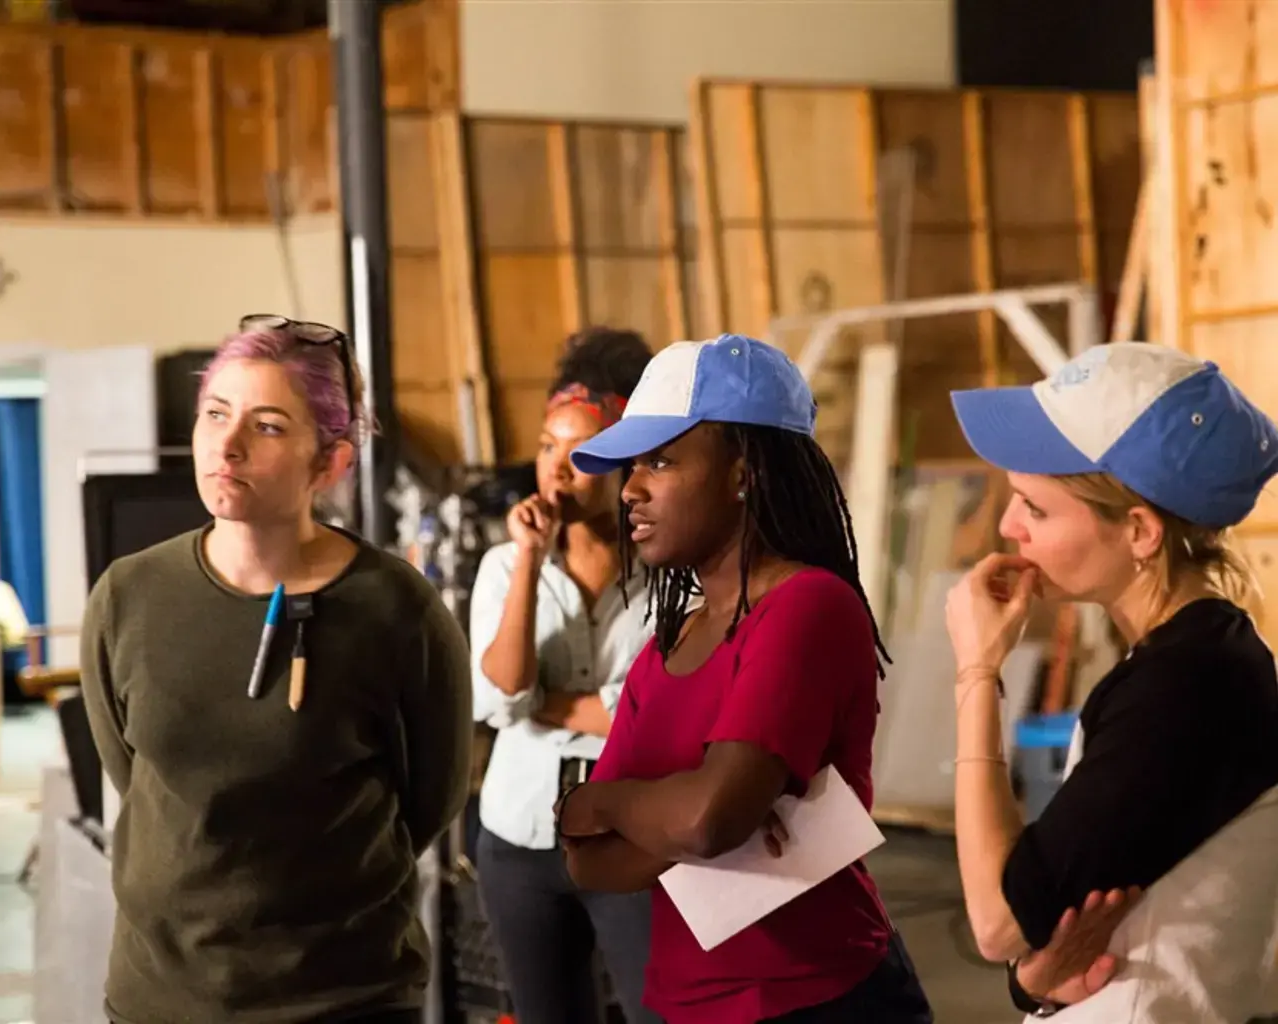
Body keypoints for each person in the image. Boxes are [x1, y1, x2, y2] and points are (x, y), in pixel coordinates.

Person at [78, 315, 473, 1024]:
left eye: (265, 426)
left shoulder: (394, 608)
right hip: (164, 997)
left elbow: (431, 796)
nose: (225, 445)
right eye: (214, 414)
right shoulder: (129, 595)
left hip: (345, 997)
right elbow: (134, 773)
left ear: (330, 465)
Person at [552, 333, 935, 1023]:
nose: (630, 489)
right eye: (631, 465)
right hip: (687, 1004)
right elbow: (586, 861)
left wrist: (607, 805)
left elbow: (702, 820)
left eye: (661, 460)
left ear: (743, 471)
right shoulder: (664, 648)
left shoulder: (807, 608)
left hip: (819, 999)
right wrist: (678, 813)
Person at [943, 341, 1278, 1022]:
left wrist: (978, 673)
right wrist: (1031, 983)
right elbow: (1036, 945)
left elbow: (998, 923)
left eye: (1033, 508)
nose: (1009, 529)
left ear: (1139, 532)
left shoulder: (1186, 687)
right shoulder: (1191, 658)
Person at [469, 327, 661, 1024]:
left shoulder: (668, 576)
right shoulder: (503, 568)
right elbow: (502, 694)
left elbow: (651, 718)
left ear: (624, 459)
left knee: (658, 1013)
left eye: (580, 452)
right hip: (518, 845)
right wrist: (526, 559)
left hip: (631, 843)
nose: (556, 468)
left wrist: (546, 705)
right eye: (548, 447)